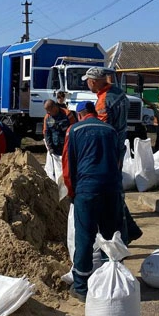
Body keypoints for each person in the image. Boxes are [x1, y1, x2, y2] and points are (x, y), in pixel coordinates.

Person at [62, 101, 125, 299]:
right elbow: (118, 161)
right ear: (93, 113)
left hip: (87, 189)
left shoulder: (74, 131)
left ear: (80, 114)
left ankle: (81, 287)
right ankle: (113, 280)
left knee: (84, 237)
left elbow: (68, 165)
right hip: (111, 189)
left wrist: (72, 192)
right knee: (111, 235)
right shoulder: (110, 130)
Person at [82, 67, 143, 243]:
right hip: (118, 146)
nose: (87, 84)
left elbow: (102, 131)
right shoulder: (119, 94)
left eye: (88, 81)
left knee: (112, 193)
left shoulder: (103, 101)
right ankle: (131, 229)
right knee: (114, 191)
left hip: (109, 152)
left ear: (94, 81)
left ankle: (124, 233)